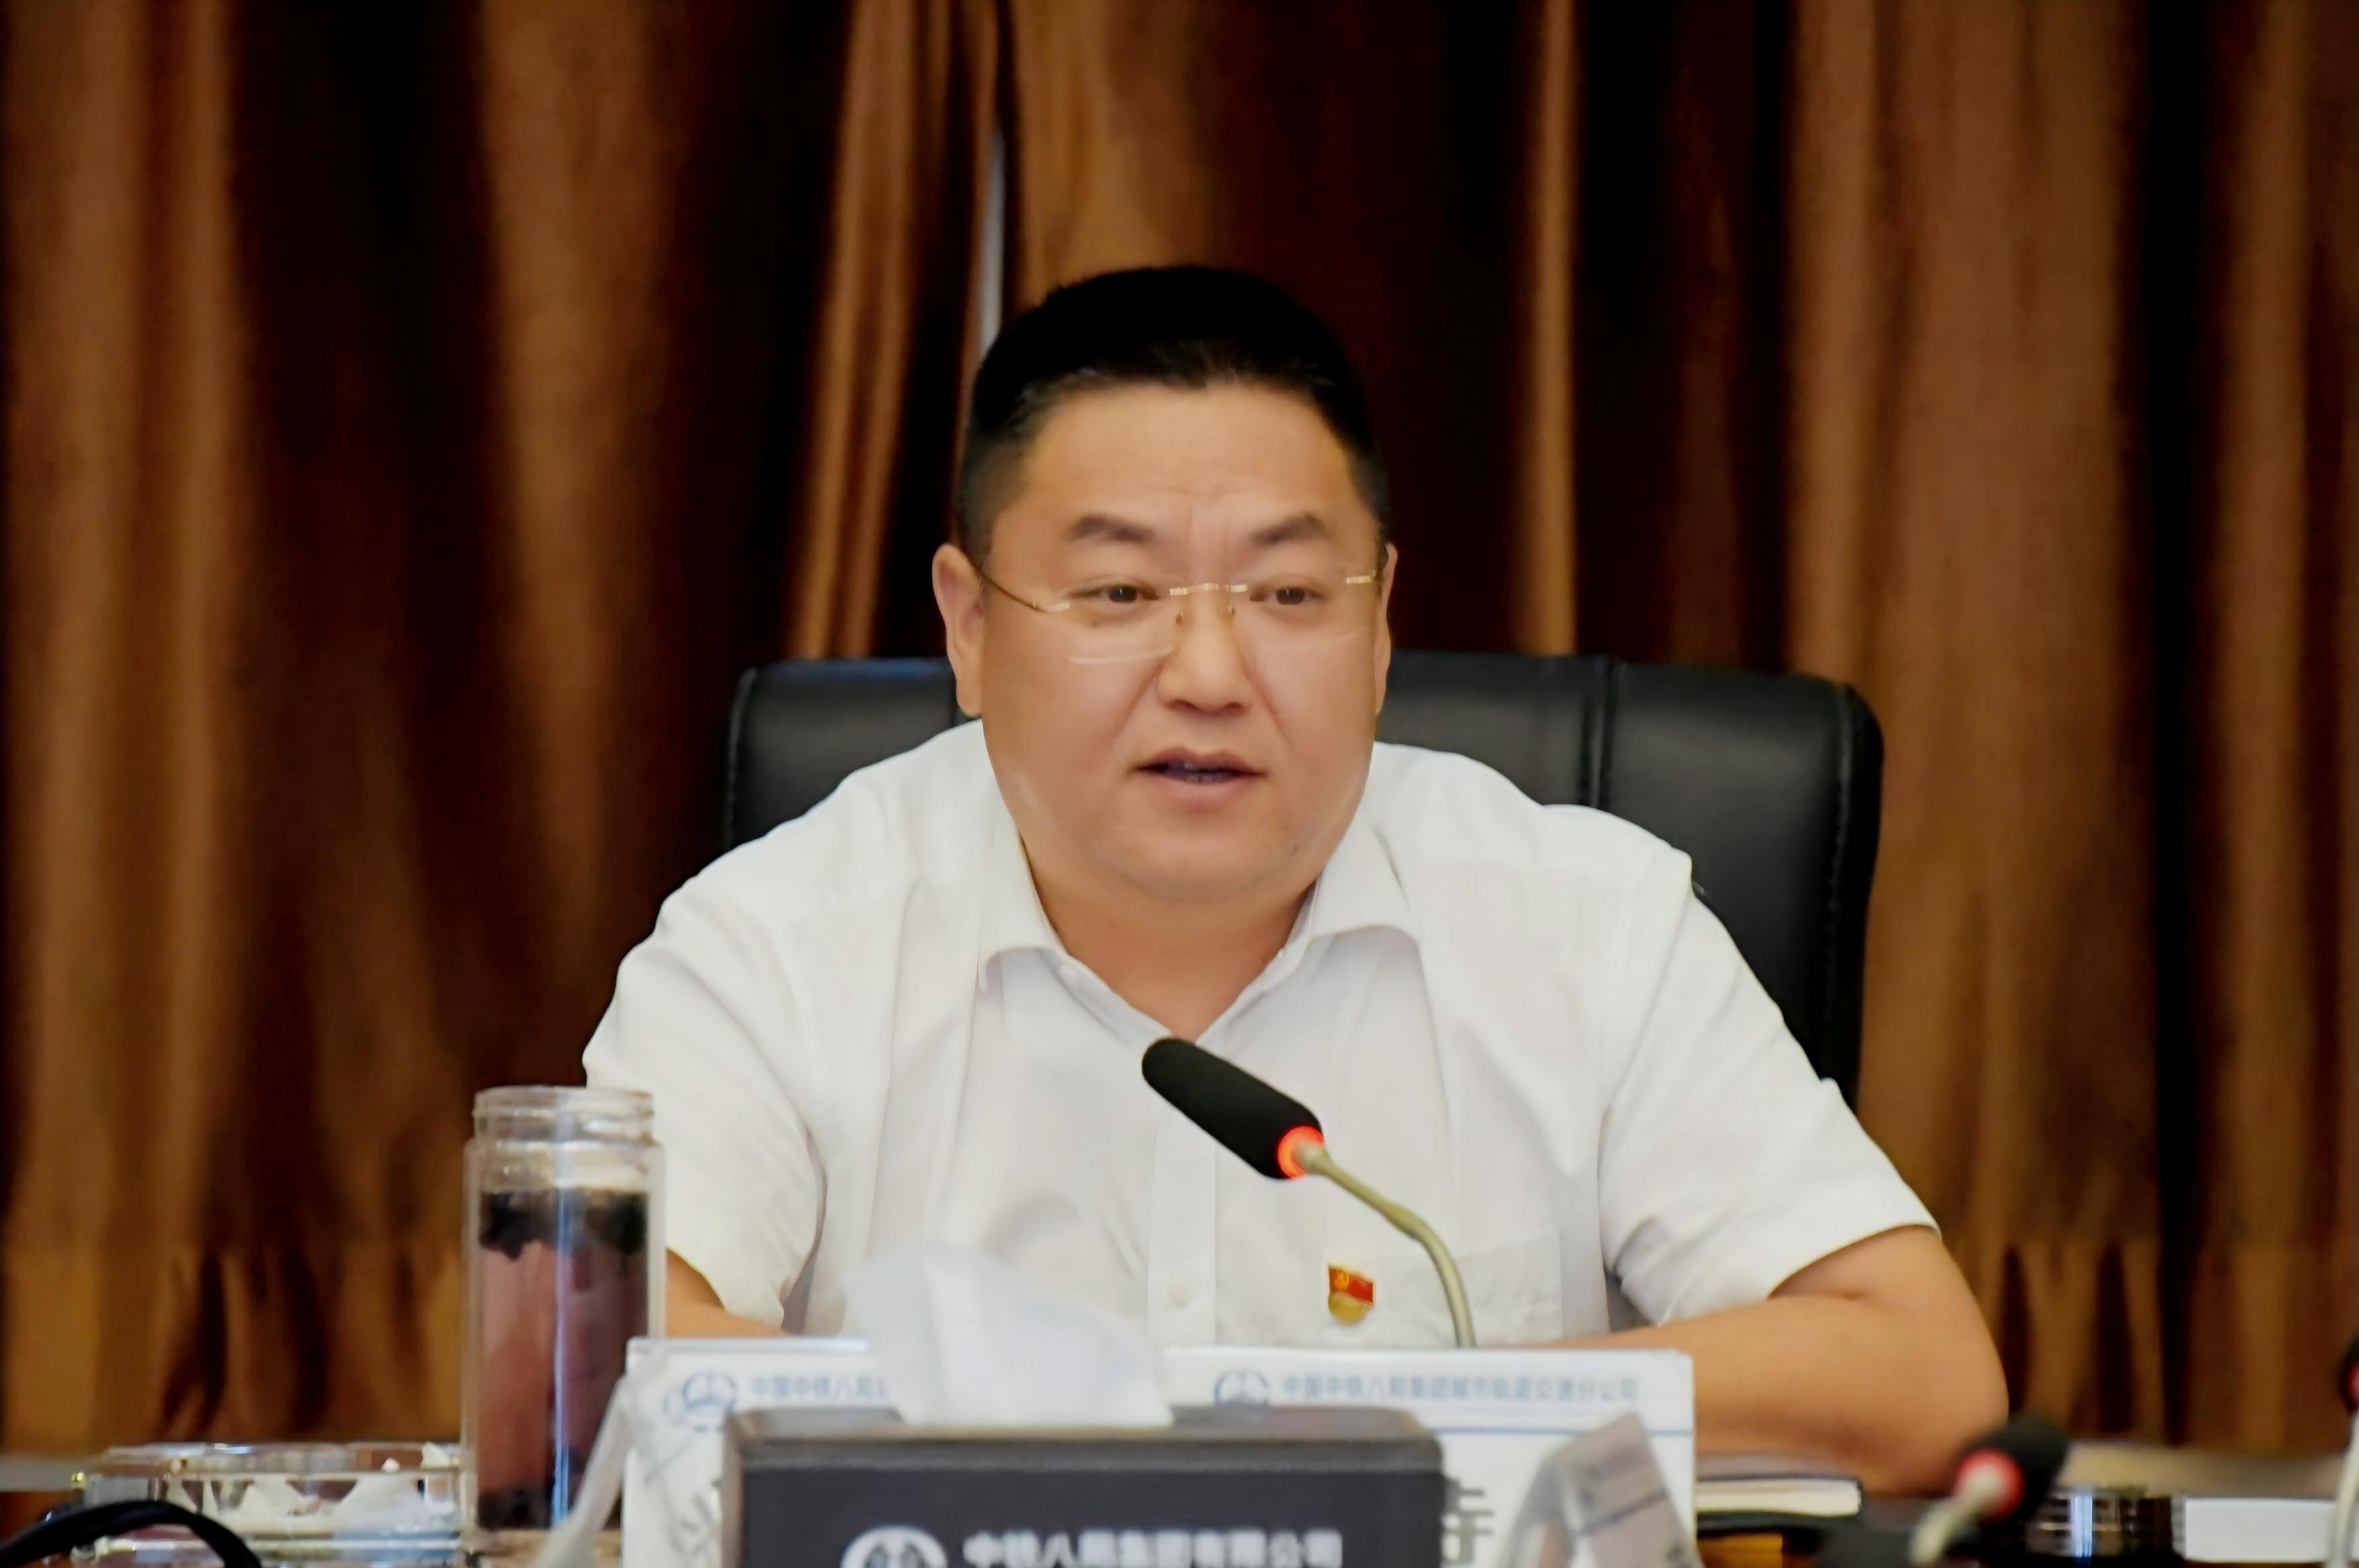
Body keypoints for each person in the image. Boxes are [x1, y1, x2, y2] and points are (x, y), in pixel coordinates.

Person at [584, 265, 2006, 1490]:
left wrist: (1425, 1426)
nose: (1208, 675)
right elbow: (590, 1371)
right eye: (1119, 593)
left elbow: (1920, 1374)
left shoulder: (1591, 929)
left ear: (1378, 626)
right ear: (968, 626)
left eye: (1286, 595)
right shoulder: (775, 944)